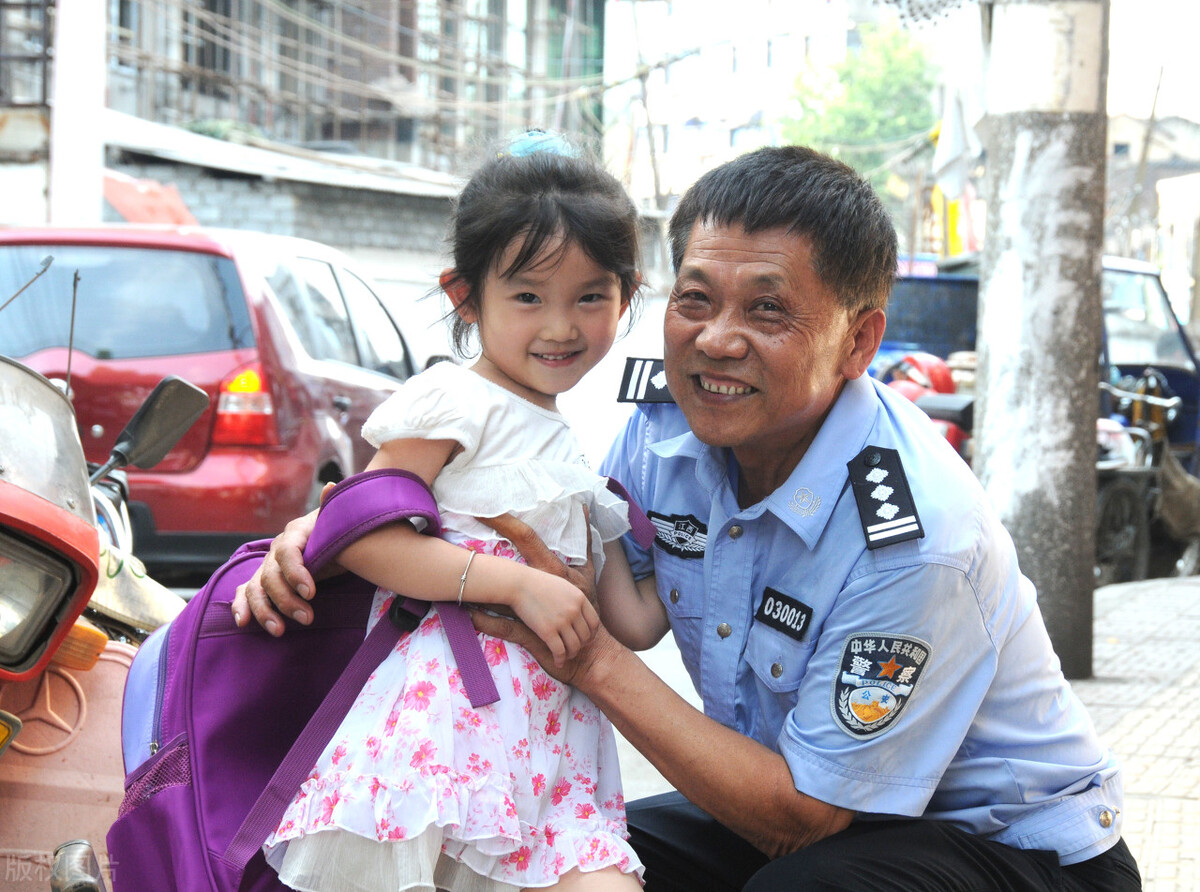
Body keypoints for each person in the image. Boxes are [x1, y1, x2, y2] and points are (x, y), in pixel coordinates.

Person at [236, 145, 1141, 891]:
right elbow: (478, 515)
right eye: (696, 298)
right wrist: (331, 532)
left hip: (1011, 849)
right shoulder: (667, 434)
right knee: (557, 849)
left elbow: (807, 822)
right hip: (791, 806)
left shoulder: (914, 539)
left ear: (859, 341)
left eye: (769, 310)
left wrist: (586, 655)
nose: (715, 339)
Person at [256, 133, 652, 892]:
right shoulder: (452, 400)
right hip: (447, 726)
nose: (561, 326)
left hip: (556, 747)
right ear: (464, 295)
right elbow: (363, 534)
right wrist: (511, 585)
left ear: (625, 296)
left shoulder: (570, 449)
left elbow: (628, 622)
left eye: (590, 296)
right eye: (528, 296)